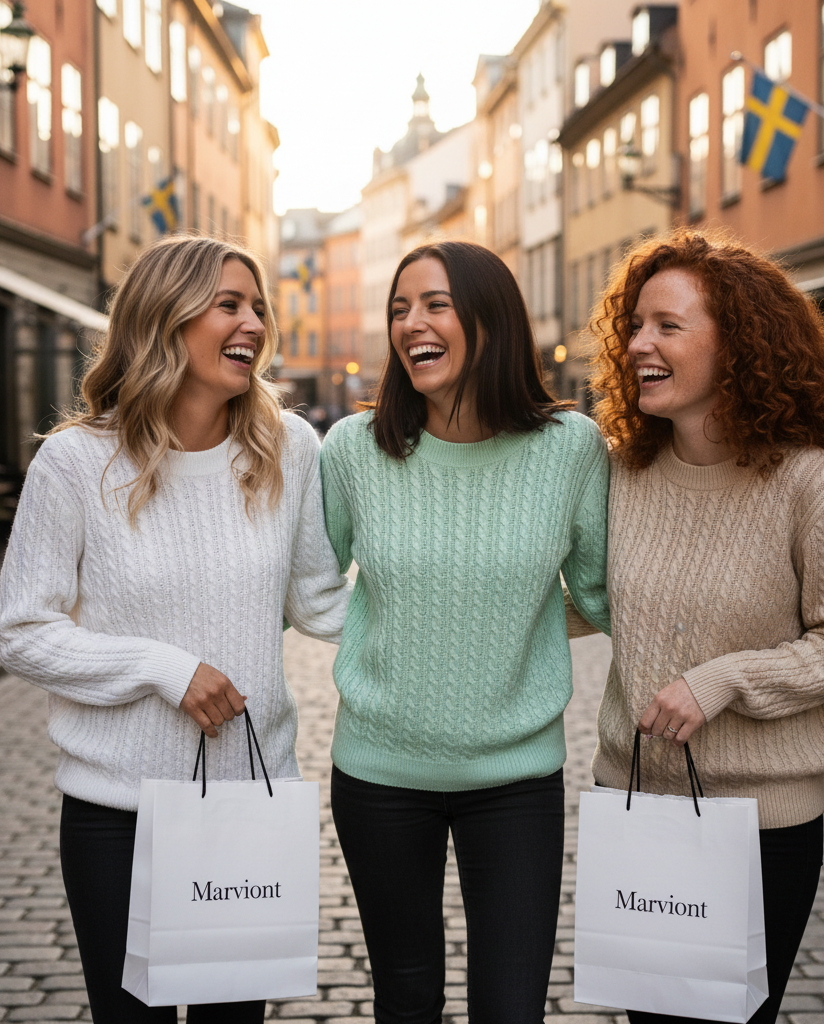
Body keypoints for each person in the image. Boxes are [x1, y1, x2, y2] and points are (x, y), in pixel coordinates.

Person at [0, 234, 350, 1024]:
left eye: (258, 306)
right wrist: (166, 667)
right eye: (229, 303)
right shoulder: (75, 464)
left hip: (245, 804)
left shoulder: (288, 448)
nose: (252, 321)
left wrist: (487, 614)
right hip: (116, 815)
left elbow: (323, 602)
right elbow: (22, 631)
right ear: (165, 317)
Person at [577, 229, 824, 1024]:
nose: (640, 342)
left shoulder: (808, 485)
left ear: (739, 347)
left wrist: (721, 681)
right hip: (639, 802)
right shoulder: (620, 473)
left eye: (668, 326)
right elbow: (582, 601)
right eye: (636, 325)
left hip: (761, 827)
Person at [319, 241, 611, 1024]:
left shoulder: (572, 449)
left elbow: (601, 592)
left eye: (435, 304)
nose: (411, 322)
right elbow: (304, 586)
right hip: (379, 774)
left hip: (516, 779)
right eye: (399, 309)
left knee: (512, 1010)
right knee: (406, 999)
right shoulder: (353, 450)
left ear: (492, 320)